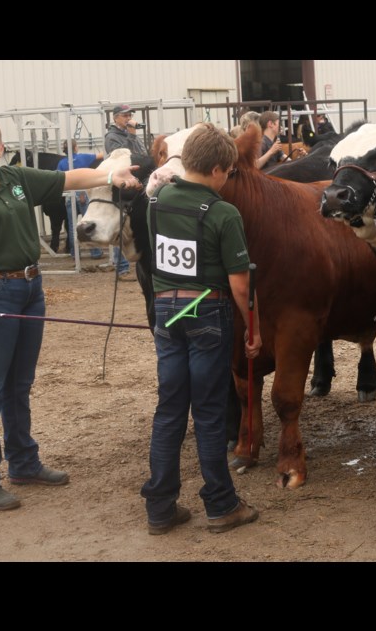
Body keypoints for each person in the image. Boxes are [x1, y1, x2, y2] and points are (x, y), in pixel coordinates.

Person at [0, 117, 141, 511]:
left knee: (19, 384)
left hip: (29, 289)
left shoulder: (14, 179)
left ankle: (23, 462)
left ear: (1, 148)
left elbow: (71, 179)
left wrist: (111, 171)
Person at [140, 123, 262, 535]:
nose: (227, 180)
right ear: (215, 169)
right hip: (208, 315)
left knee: (169, 409)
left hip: (166, 315)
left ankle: (159, 506)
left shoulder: (155, 203)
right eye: (227, 172)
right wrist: (253, 329)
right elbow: (240, 283)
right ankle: (221, 504)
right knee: (209, 412)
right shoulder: (223, 212)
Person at [103, 105, 141, 280]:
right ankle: (121, 269)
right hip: (120, 185)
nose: (128, 118)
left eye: (129, 115)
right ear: (116, 118)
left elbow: (139, 153)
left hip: (133, 182)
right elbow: (123, 157)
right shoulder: (111, 137)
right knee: (120, 223)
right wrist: (131, 135)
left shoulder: (127, 133)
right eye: (125, 115)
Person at [57, 140, 104, 258]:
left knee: (72, 226)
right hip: (83, 193)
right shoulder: (83, 158)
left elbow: (57, 178)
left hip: (69, 196)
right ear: (75, 148)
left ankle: (75, 253)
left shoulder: (62, 163)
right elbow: (102, 155)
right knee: (89, 224)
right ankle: (95, 252)